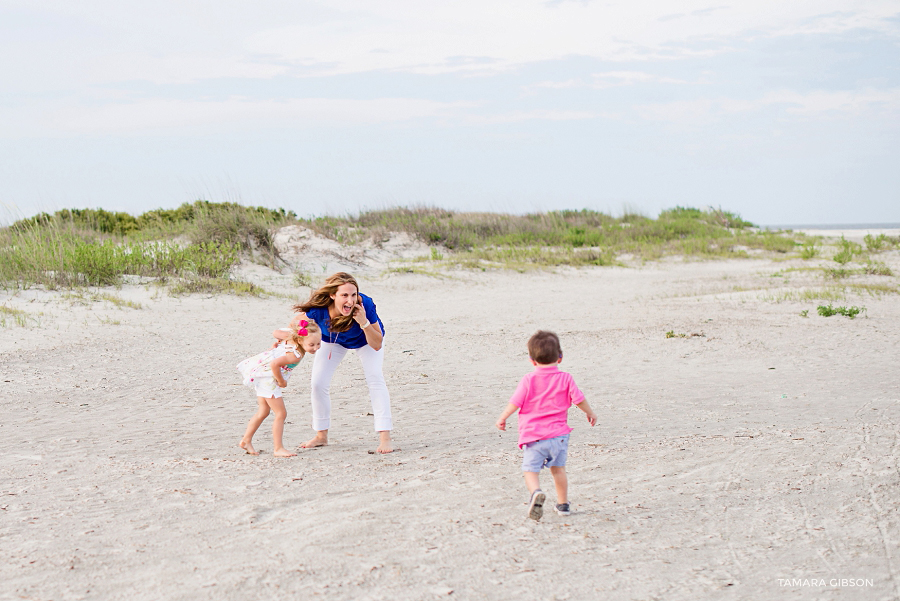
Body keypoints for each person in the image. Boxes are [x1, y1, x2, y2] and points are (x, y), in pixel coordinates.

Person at [280, 272, 394, 454]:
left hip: (365, 340)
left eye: (353, 295)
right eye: (344, 295)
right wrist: (287, 342)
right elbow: (296, 326)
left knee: (375, 378)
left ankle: (385, 438)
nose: (350, 300)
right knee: (318, 383)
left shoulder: (365, 305)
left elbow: (377, 344)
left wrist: (363, 321)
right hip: (333, 340)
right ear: (333, 295)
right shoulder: (320, 309)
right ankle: (321, 436)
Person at [495, 330, 597, 521]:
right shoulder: (566, 378)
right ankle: (563, 504)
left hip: (535, 437)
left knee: (530, 470)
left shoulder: (528, 379)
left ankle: (535, 492)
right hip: (559, 436)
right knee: (558, 469)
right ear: (560, 357)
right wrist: (590, 413)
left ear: (532, 361)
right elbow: (579, 399)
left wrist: (503, 417)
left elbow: (515, 402)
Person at [237, 322, 322, 457]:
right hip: (269, 379)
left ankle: (246, 440)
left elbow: (277, 332)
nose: (316, 348)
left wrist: (276, 345)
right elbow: (274, 363)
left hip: (263, 376)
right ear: (300, 340)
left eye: (318, 344)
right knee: (281, 414)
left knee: (263, 411)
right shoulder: (295, 355)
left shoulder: (292, 339)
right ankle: (278, 448)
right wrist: (281, 381)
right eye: (311, 345)